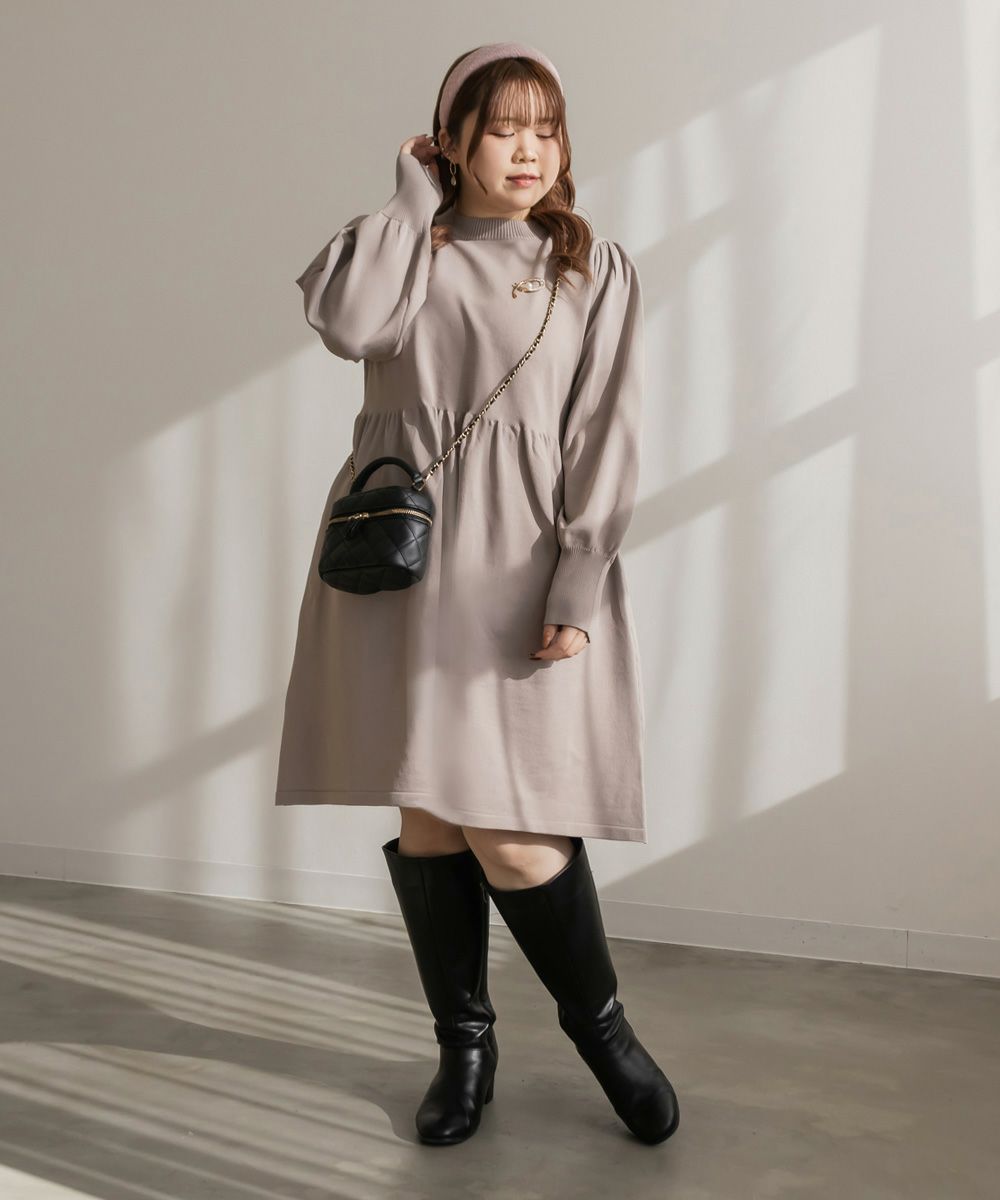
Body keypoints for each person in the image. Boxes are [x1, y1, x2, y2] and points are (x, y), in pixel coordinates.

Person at [276, 41, 680, 1147]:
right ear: (451, 141)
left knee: (511, 824)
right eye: (501, 129)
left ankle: (604, 1034)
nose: (527, 151)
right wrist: (411, 194)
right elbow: (352, 328)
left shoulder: (594, 268)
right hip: (403, 560)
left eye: (545, 129)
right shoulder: (399, 246)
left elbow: (605, 434)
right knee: (427, 813)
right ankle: (464, 1048)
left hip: (518, 563)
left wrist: (579, 578)